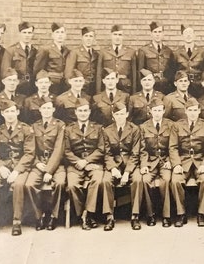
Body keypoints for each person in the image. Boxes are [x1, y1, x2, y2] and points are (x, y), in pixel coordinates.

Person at [0, 100, 36, 237]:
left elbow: (29, 154)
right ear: (2, 114)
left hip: (20, 166)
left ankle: (16, 222)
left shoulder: (26, 129)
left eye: (12, 111)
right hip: (3, 165)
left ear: (18, 112)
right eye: (7, 112)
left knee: (19, 184)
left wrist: (16, 171)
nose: (10, 115)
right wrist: (1, 167)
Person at [168, 98, 204, 227]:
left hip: (200, 160)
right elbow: (173, 147)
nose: (193, 113)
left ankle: (202, 213)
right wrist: (176, 164)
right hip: (183, 160)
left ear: (199, 111)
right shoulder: (177, 125)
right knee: (176, 181)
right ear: (185, 111)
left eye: (195, 110)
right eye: (190, 110)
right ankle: (181, 214)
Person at [64, 98, 106, 230]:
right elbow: (66, 150)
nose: (83, 113)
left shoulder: (98, 128)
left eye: (85, 111)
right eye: (80, 111)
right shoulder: (69, 129)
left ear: (89, 112)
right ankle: (83, 213)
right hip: (75, 164)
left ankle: (88, 214)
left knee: (97, 181)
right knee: (72, 185)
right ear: (76, 112)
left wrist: (87, 161)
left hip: (93, 163)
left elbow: (101, 149)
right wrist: (79, 162)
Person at [26, 97, 66, 231]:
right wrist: (37, 163)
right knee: (30, 184)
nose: (47, 111)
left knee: (60, 183)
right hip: (39, 163)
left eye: (49, 108)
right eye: (44, 108)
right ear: (40, 110)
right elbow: (31, 149)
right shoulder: (34, 126)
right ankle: (39, 216)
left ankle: (54, 216)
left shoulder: (60, 125)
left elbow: (59, 149)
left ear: (53, 110)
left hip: (56, 164)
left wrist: (49, 170)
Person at [103, 102, 142, 231]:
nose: (120, 117)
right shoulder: (107, 130)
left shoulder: (134, 129)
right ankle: (109, 216)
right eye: (117, 114)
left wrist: (127, 172)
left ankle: (135, 215)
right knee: (106, 181)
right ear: (113, 115)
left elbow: (135, 153)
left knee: (137, 179)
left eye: (122, 114)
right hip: (114, 163)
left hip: (130, 163)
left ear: (126, 114)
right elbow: (106, 153)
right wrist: (113, 168)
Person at [139, 98, 173, 227]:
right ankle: (150, 214)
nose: (157, 113)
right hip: (150, 161)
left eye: (159, 110)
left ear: (164, 111)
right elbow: (142, 149)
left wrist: (170, 160)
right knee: (146, 180)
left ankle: (166, 216)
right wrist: (144, 165)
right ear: (150, 111)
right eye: (155, 110)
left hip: (165, 161)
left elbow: (174, 146)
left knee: (166, 180)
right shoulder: (143, 127)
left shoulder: (170, 125)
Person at [96, 24, 137, 95]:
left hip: (125, 87)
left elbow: (134, 75)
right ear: (111, 35)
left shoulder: (130, 52)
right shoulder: (103, 52)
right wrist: (98, 92)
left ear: (123, 36)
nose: (117, 37)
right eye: (115, 34)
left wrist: (134, 93)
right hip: (108, 86)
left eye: (120, 35)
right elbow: (99, 74)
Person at [137, 21, 176, 95]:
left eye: (160, 32)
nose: (157, 34)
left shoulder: (168, 51)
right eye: (155, 32)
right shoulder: (144, 50)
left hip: (166, 87)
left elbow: (172, 70)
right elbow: (140, 70)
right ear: (151, 34)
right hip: (151, 86)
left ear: (163, 34)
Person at [1, 21, 38, 96]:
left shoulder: (35, 51)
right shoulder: (11, 50)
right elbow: (5, 72)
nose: (27, 35)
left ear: (32, 34)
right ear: (19, 33)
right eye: (24, 32)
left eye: (29, 33)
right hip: (17, 87)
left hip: (32, 87)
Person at [33, 22, 70, 96]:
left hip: (64, 85)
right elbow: (38, 70)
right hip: (50, 85)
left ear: (65, 35)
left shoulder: (66, 50)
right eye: (57, 32)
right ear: (52, 35)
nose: (60, 35)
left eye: (62, 32)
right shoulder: (45, 49)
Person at [173, 24, 204, 98]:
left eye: (190, 33)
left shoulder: (203, 52)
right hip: (183, 86)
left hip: (199, 87)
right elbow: (174, 72)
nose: (188, 35)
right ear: (182, 36)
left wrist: (202, 82)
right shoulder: (176, 53)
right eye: (186, 33)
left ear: (194, 35)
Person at [64, 26, 99, 96]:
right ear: (82, 37)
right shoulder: (75, 52)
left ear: (94, 38)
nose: (88, 39)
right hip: (80, 89)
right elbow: (68, 74)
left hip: (93, 90)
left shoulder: (96, 54)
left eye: (91, 36)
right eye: (86, 36)